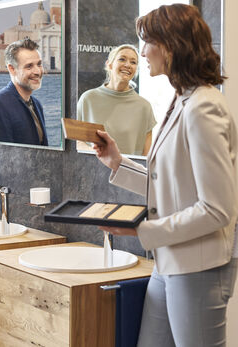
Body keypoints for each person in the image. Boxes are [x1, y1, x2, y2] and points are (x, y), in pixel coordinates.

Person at [94, 4, 238, 347]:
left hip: (199, 268)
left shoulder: (204, 106)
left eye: (147, 42)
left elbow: (218, 209)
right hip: (169, 260)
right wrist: (118, 162)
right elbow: (169, 184)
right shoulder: (181, 100)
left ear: (171, 46)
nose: (141, 52)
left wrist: (143, 230)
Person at [77, 44, 156, 155]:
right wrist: (97, 154)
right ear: (109, 65)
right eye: (122, 59)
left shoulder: (144, 107)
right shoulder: (87, 99)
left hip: (129, 172)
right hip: (93, 169)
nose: (128, 65)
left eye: (133, 62)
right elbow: (77, 142)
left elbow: (146, 155)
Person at [0, 38, 48, 146]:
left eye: (39, 64)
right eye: (29, 66)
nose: (37, 71)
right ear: (12, 69)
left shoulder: (37, 104)